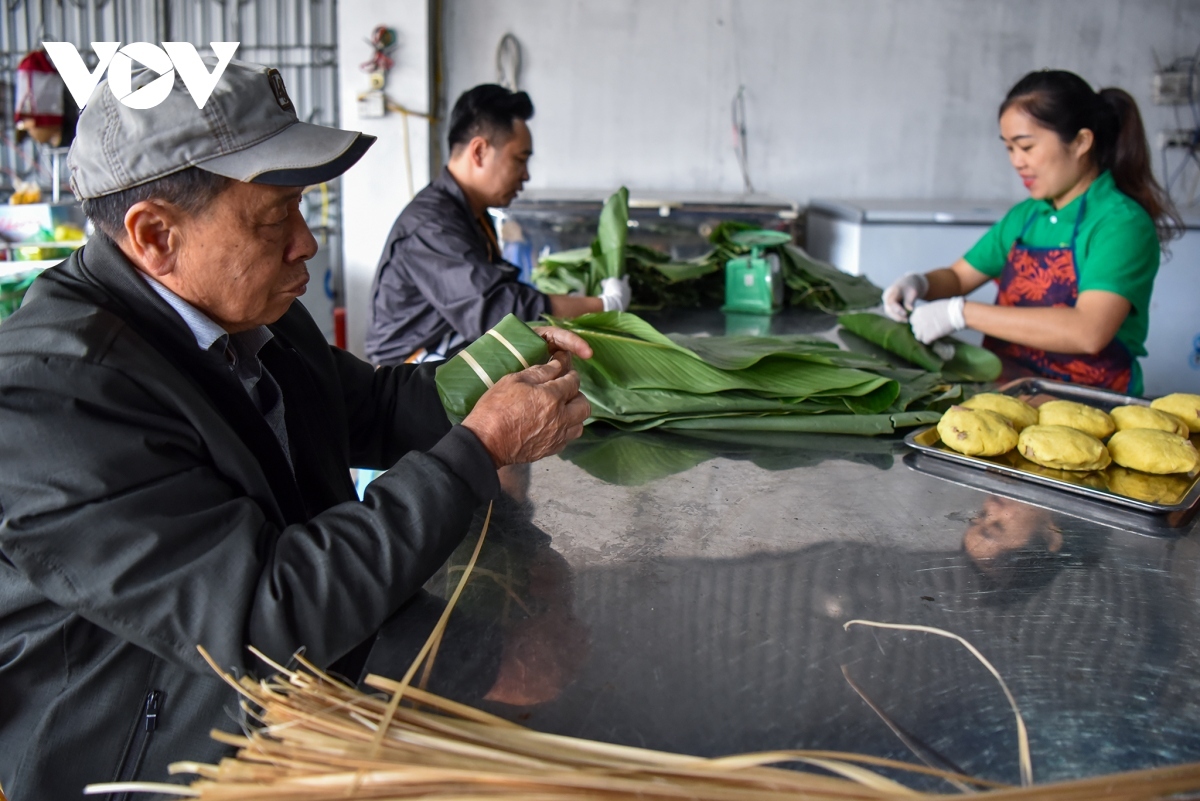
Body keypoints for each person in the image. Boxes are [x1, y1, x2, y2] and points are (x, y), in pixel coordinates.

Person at [0, 62, 592, 799]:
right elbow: (262, 611)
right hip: (160, 753)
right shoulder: (55, 396)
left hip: (300, 679)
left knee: (544, 671)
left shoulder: (246, 313)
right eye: (275, 217)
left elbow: (371, 405)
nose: (305, 243)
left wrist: (510, 364)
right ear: (156, 234)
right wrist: (480, 448)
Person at [884, 70, 1180, 395]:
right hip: (1011, 394)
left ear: (1081, 142)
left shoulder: (1120, 223)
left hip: (1090, 407)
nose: (1017, 162)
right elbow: (958, 277)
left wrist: (961, 313)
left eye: (1026, 146)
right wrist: (920, 283)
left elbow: (1088, 331)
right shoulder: (1027, 216)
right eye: (1009, 148)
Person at [366, 84, 631, 366]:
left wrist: (575, 301)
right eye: (519, 160)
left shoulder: (471, 212)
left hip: (448, 342)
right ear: (479, 151)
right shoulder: (432, 224)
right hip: (408, 369)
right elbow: (496, 310)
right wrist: (603, 305)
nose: (526, 175)